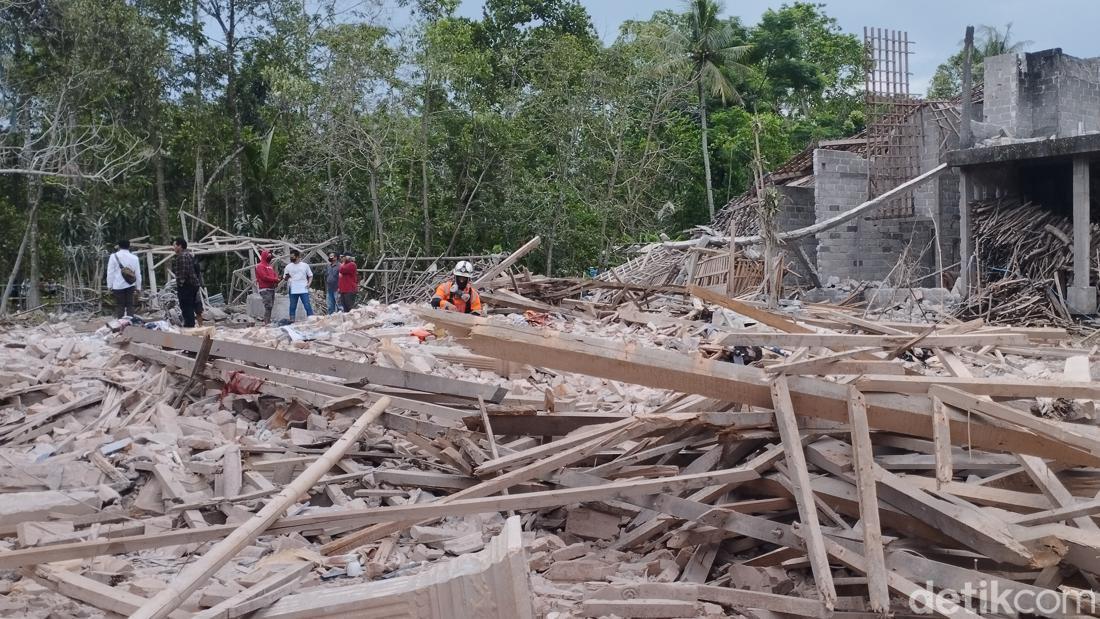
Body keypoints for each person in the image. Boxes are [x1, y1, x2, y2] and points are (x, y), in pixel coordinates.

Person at [106, 239, 142, 319]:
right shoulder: (135, 258)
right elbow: (138, 274)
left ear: (118, 246)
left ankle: (120, 324)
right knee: (130, 305)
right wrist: (138, 287)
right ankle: (129, 325)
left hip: (117, 285)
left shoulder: (113, 256)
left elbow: (110, 272)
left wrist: (109, 286)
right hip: (130, 285)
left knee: (120, 305)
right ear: (129, 246)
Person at [171, 238, 201, 328]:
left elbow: (183, 272)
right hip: (193, 284)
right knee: (192, 306)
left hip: (187, 286)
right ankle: (193, 325)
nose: (174, 248)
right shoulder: (189, 255)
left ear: (180, 246)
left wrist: (181, 284)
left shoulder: (182, 256)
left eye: (174, 245)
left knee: (186, 307)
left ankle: (189, 326)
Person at [283, 249, 314, 321]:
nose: (291, 258)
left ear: (297, 256)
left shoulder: (305, 265)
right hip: (293, 287)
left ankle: (312, 319)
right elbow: (284, 278)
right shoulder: (288, 266)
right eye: (291, 257)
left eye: (293, 256)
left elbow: (310, 275)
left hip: (303, 287)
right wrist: (287, 277)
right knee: (293, 305)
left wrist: (309, 284)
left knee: (307, 304)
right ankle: (292, 320)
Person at [254, 249, 280, 324]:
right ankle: (266, 323)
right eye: (269, 254)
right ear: (264, 255)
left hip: (271, 289)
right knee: (268, 306)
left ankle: (267, 321)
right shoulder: (260, 266)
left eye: (270, 255)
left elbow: (274, 275)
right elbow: (264, 277)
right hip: (265, 289)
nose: (270, 256)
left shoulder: (269, 266)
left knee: (270, 306)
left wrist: (276, 280)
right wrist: (275, 279)